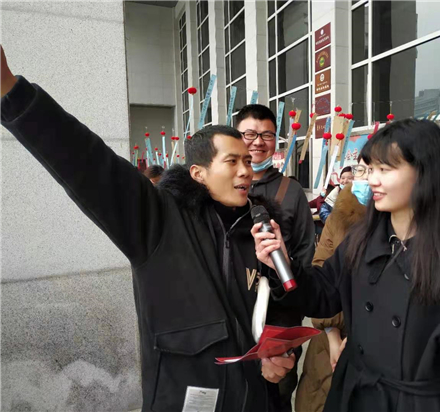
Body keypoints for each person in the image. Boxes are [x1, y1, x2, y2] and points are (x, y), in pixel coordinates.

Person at [0, 47, 294, 412]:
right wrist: (11, 90)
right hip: (188, 400)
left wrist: (280, 353)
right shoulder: (158, 220)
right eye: (232, 161)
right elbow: (88, 162)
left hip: (256, 400)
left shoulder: (259, 229)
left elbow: (275, 311)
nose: (246, 171)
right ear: (198, 173)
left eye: (248, 161)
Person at [253, 119, 440, 411]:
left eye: (385, 170)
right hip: (353, 394)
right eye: (370, 169)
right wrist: (284, 264)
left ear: (426, 173)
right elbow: (323, 295)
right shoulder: (361, 240)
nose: (372, 180)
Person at [235, 104, 315, 411]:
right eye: (249, 134)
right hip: (236, 312)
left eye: (267, 135)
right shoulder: (222, 188)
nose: (258, 142)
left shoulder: (291, 191)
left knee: (277, 395)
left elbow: (306, 254)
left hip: (279, 317)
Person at [295, 161, 371, 412]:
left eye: (374, 169)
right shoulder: (340, 215)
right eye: (361, 170)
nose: (366, 178)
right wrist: (332, 334)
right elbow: (322, 271)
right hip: (331, 335)